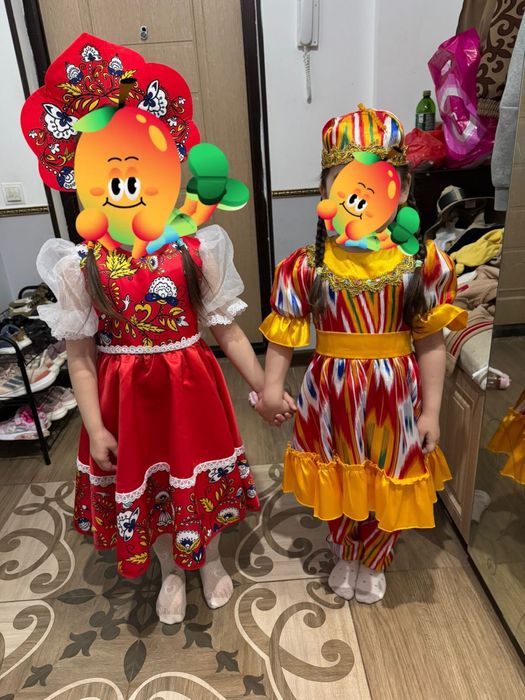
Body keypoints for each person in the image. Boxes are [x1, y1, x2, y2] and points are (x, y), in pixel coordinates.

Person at [256, 105, 467, 603]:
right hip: (329, 396)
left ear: (403, 190)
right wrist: (270, 388)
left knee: (388, 473)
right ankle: (344, 549)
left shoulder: (422, 263)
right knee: (336, 471)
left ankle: (375, 555)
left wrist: (432, 411)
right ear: (326, 191)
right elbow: (283, 334)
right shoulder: (307, 265)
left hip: (394, 397)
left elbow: (430, 341)